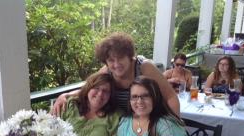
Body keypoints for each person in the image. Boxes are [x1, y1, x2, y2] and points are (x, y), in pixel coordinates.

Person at [51, 32, 179, 116]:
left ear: (129, 56)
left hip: (150, 122)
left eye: (120, 58)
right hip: (122, 128)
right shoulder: (107, 71)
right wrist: (66, 95)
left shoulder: (144, 67)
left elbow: (171, 97)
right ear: (106, 62)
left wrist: (175, 125)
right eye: (111, 60)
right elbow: (88, 89)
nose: (116, 64)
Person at [62, 72, 121, 136]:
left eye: (106, 91)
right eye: (96, 88)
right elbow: (51, 131)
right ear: (88, 88)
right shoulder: (70, 104)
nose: (100, 94)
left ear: (111, 96)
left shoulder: (114, 116)